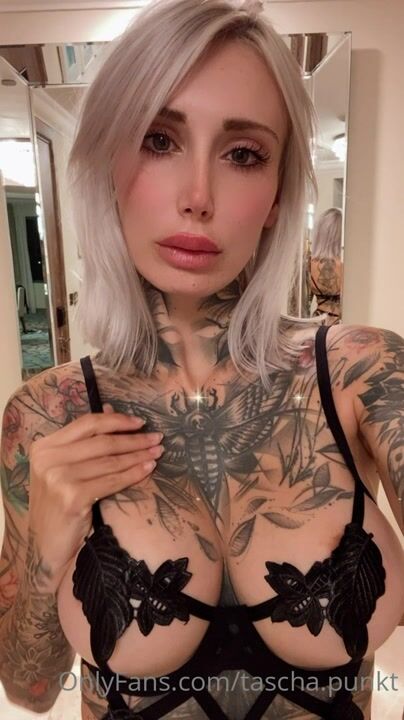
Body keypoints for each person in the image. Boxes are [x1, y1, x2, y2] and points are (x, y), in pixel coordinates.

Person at [0, 1, 403, 719]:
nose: (197, 198)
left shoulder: (360, 374)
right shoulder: (48, 413)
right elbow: (28, 690)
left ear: (276, 195)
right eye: (158, 140)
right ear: (108, 163)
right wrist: (45, 545)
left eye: (243, 154)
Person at [309, 208, 343, 325]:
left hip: (317, 327)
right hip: (344, 327)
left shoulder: (308, 265)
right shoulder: (350, 266)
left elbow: (297, 309)